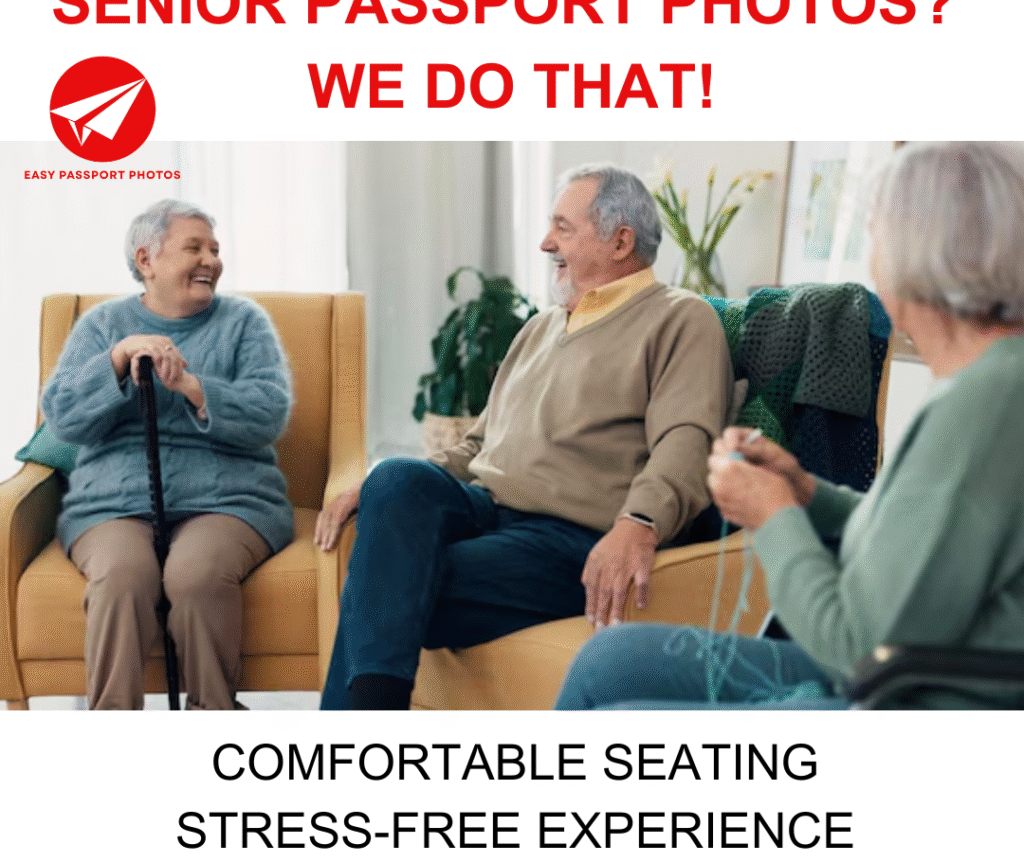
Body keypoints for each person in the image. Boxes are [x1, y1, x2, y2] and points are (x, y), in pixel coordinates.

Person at [554, 141, 1024, 711]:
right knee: (612, 659)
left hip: (904, 693)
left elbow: (854, 643)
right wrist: (805, 493)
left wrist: (773, 517)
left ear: (913, 258)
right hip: (898, 663)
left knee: (625, 716)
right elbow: (921, 540)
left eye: (875, 240)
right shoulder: (985, 383)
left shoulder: (986, 405)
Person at [316, 163, 734, 709]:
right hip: (486, 507)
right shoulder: (540, 326)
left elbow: (688, 437)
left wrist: (640, 521)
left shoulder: (681, 319)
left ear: (620, 241)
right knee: (395, 478)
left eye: (563, 228)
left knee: (393, 581)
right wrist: (373, 493)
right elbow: (477, 445)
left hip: (567, 535)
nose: (545, 243)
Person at [41, 199, 294, 710]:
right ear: (146, 259)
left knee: (196, 574)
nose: (211, 260)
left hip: (228, 500)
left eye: (215, 250)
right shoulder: (102, 325)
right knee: (120, 579)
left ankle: (213, 718)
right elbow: (62, 416)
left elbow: (269, 413)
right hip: (113, 503)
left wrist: (193, 386)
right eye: (194, 247)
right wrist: (115, 360)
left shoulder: (245, 322)